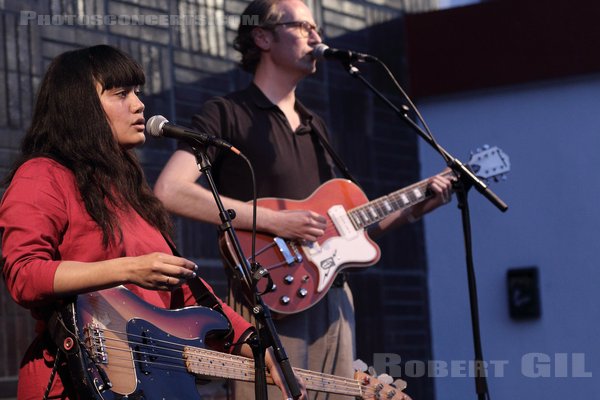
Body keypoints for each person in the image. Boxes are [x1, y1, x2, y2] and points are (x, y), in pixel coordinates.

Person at [154, 1, 453, 399]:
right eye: (302, 27)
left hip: (333, 300)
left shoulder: (317, 127)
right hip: (268, 299)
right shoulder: (227, 114)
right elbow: (171, 190)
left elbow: (348, 229)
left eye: (318, 28)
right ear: (262, 36)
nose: (317, 37)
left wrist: (422, 203)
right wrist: (275, 221)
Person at [0, 44, 304, 400]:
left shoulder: (128, 189)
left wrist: (253, 344)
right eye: (121, 94)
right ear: (79, 106)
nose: (139, 104)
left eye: (138, 93)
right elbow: (24, 274)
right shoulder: (43, 175)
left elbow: (184, 287)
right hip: (73, 381)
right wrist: (127, 268)